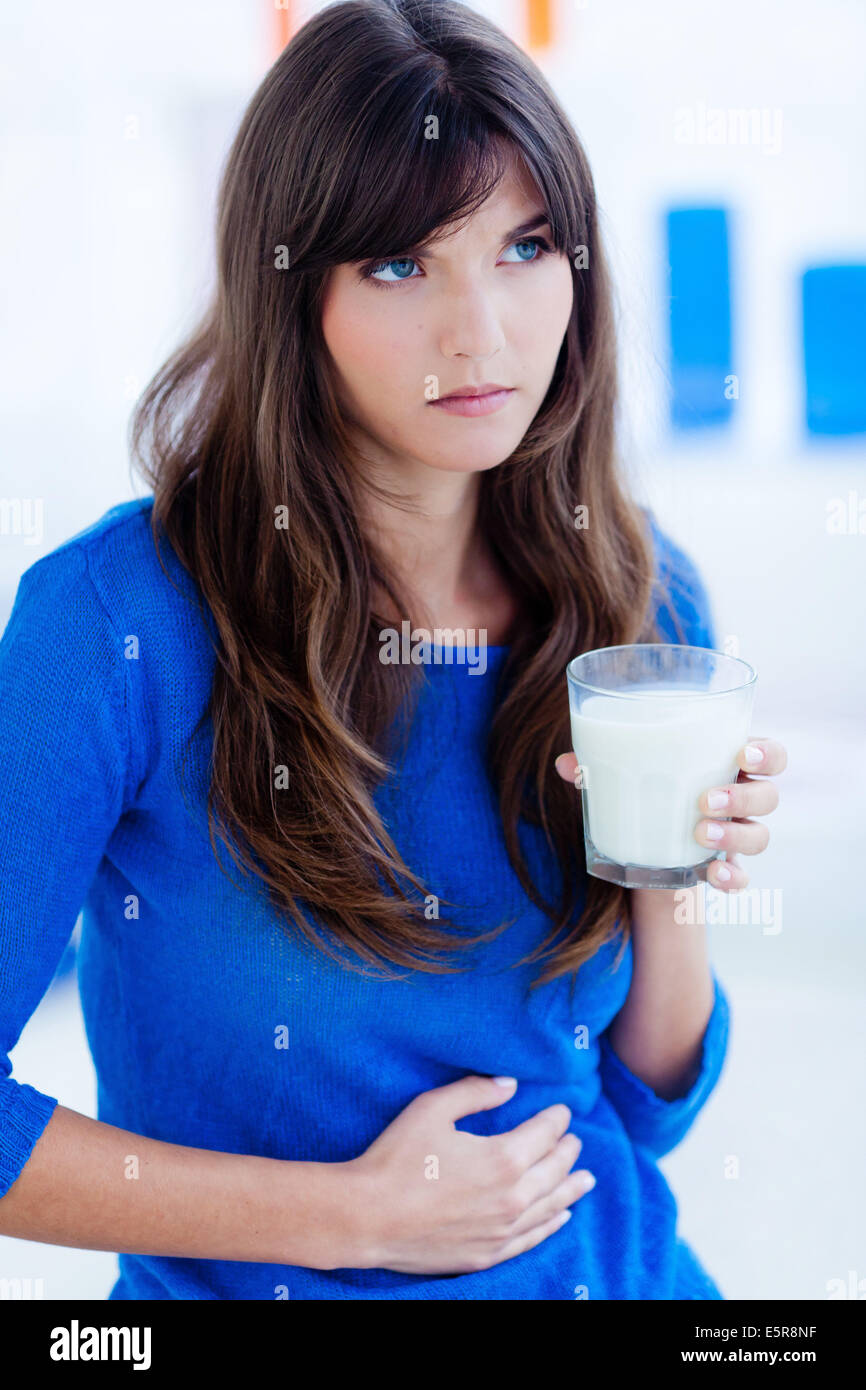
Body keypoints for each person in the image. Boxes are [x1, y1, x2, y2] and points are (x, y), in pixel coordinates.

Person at [0, 0, 785, 1300]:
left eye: (525, 245)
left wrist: (665, 864)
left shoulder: (634, 588)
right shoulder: (115, 620)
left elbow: (643, 1107)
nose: (482, 331)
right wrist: (347, 1217)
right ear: (289, 288)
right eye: (401, 266)